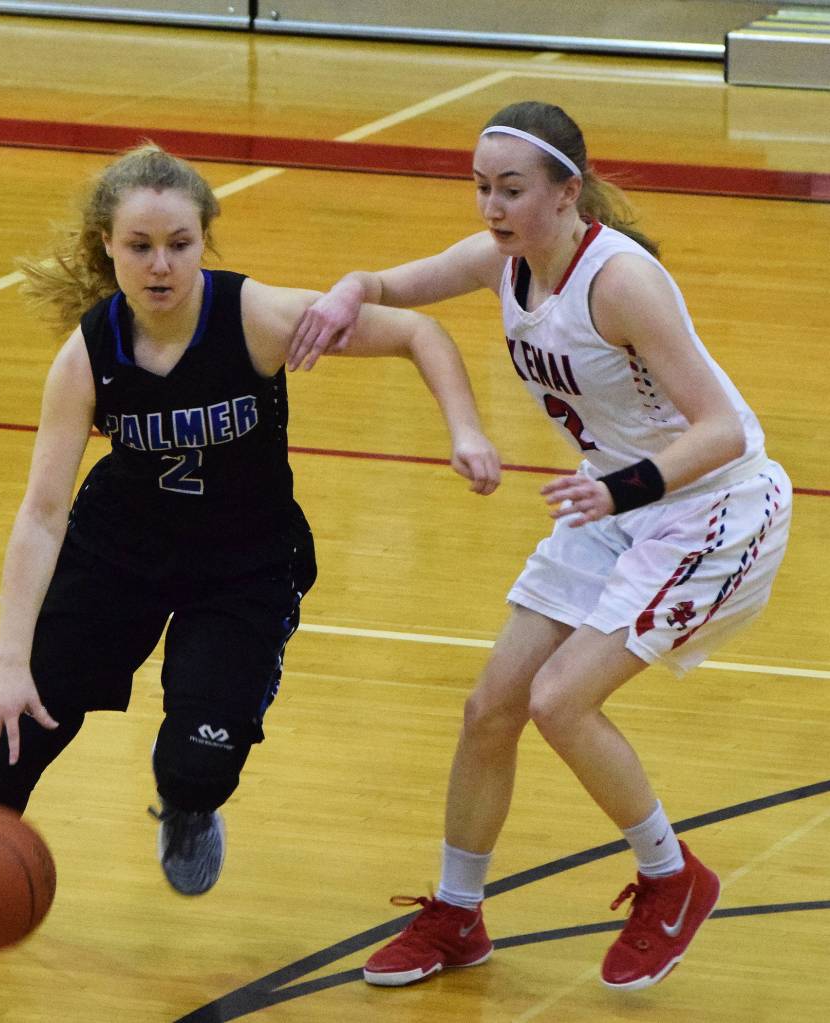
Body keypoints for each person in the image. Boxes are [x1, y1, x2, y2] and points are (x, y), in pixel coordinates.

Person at [0, 142, 502, 946]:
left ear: (203, 241)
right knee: (13, 730)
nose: (160, 265)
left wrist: (464, 429)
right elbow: (41, 515)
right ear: (107, 245)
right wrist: (10, 662)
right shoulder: (86, 355)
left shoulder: (257, 318)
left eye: (179, 244)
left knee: (197, 764)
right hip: (120, 550)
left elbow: (420, 332)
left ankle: (186, 807)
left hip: (243, 564)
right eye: (140, 246)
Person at [287, 100, 792, 991]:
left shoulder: (621, 281)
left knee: (561, 700)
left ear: (569, 191)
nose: (490, 208)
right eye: (480, 187)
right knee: (492, 707)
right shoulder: (501, 261)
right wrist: (347, 289)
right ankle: (456, 912)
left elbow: (722, 431)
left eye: (510, 189)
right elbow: (391, 287)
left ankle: (675, 879)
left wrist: (617, 486)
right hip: (614, 502)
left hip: (712, 507)